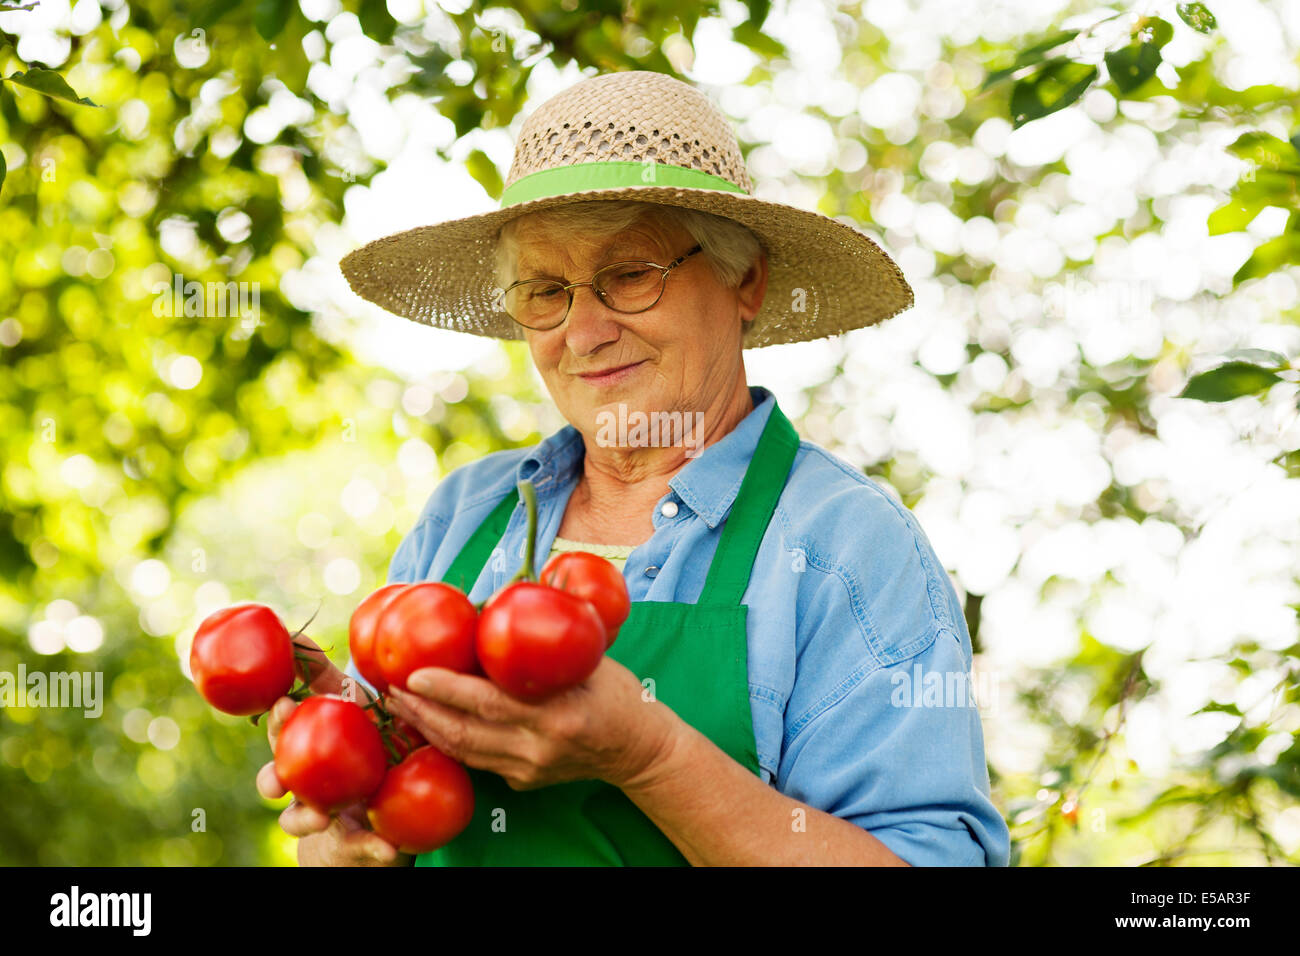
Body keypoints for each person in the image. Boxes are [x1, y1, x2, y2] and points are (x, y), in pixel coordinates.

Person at [258, 70, 1011, 866]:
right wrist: (347, 833)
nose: (583, 334)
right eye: (546, 291)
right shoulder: (467, 514)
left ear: (744, 278)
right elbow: (381, 821)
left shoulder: (849, 549)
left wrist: (647, 757)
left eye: (628, 276)